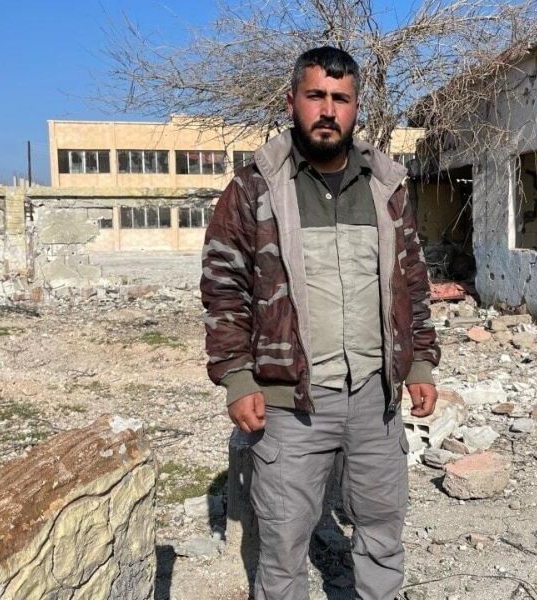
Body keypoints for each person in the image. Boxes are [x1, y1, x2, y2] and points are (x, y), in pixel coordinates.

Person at [201, 46, 441, 600]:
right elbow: (223, 287)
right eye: (316, 96)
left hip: (376, 399)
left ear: (355, 107)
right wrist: (237, 377)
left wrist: (420, 364)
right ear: (292, 101)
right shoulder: (255, 188)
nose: (328, 110)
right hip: (292, 404)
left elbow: (411, 280)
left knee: (382, 533)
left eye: (341, 98)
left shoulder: (386, 186)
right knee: (283, 546)